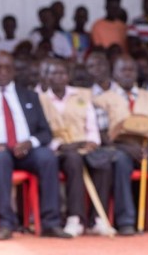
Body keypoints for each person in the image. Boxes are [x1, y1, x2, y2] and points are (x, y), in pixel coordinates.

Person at [0, 51, 64, 239]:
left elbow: (45, 132)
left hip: (26, 149)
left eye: (7, 68)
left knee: (48, 158)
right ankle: (5, 224)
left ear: (14, 71)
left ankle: (50, 223)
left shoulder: (29, 95)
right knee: (1, 159)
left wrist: (30, 142)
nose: (3, 72)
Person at [98, 55, 148, 234]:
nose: (128, 74)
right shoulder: (103, 99)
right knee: (120, 162)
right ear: (114, 73)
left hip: (147, 148)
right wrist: (125, 147)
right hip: (119, 148)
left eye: (131, 70)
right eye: (123, 70)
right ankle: (125, 221)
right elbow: (102, 134)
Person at [38, 58, 115, 237]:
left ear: (69, 76)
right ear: (47, 77)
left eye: (62, 73)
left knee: (103, 161)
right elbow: (40, 131)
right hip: (59, 150)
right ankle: (75, 218)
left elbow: (92, 125)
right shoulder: (40, 99)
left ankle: (98, 219)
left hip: (84, 145)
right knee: (73, 160)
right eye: (54, 73)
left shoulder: (82, 97)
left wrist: (92, 142)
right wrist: (61, 145)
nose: (59, 77)